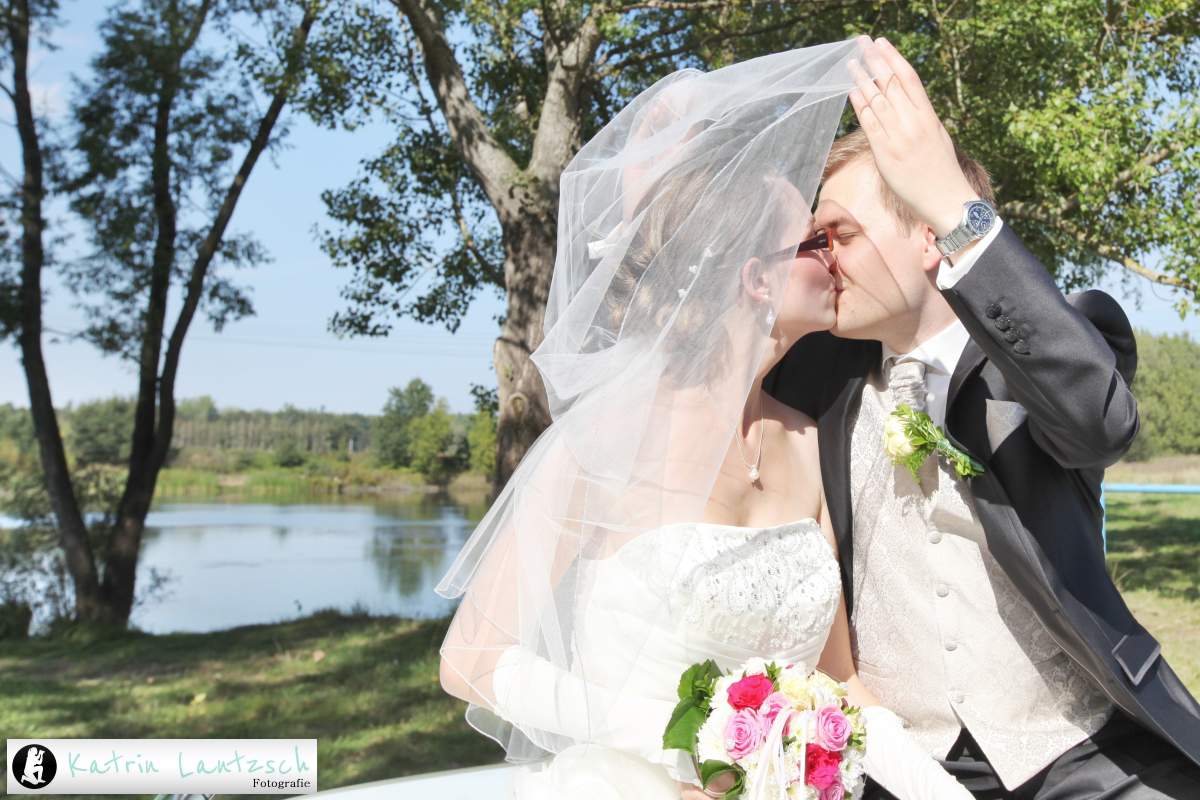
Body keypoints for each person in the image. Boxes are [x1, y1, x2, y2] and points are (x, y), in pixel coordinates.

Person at [434, 38, 973, 800]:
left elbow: (842, 683)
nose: (833, 257)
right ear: (754, 278)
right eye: (811, 243)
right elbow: (473, 661)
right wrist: (690, 746)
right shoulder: (604, 444)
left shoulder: (807, 438)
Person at [763, 35, 1200, 800]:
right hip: (895, 767)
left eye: (840, 233)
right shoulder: (811, 379)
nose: (821, 258)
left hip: (1080, 754)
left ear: (931, 235)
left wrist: (952, 201)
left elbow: (1099, 421)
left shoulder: (1049, 348)